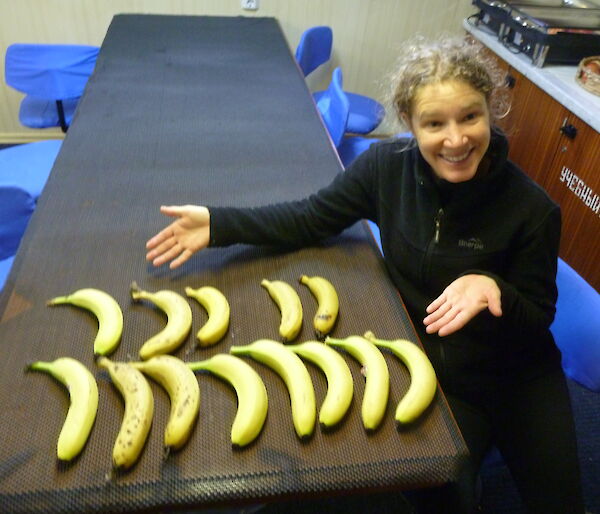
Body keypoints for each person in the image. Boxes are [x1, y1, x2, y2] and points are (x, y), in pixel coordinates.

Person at [145, 36, 585, 513]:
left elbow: (537, 315)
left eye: (470, 117)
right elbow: (310, 218)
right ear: (411, 124)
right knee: (439, 494)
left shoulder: (533, 209)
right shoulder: (385, 170)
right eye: (435, 123)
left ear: (491, 111)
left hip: (521, 376)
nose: (456, 139)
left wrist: (493, 287)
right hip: (444, 377)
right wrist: (220, 224)